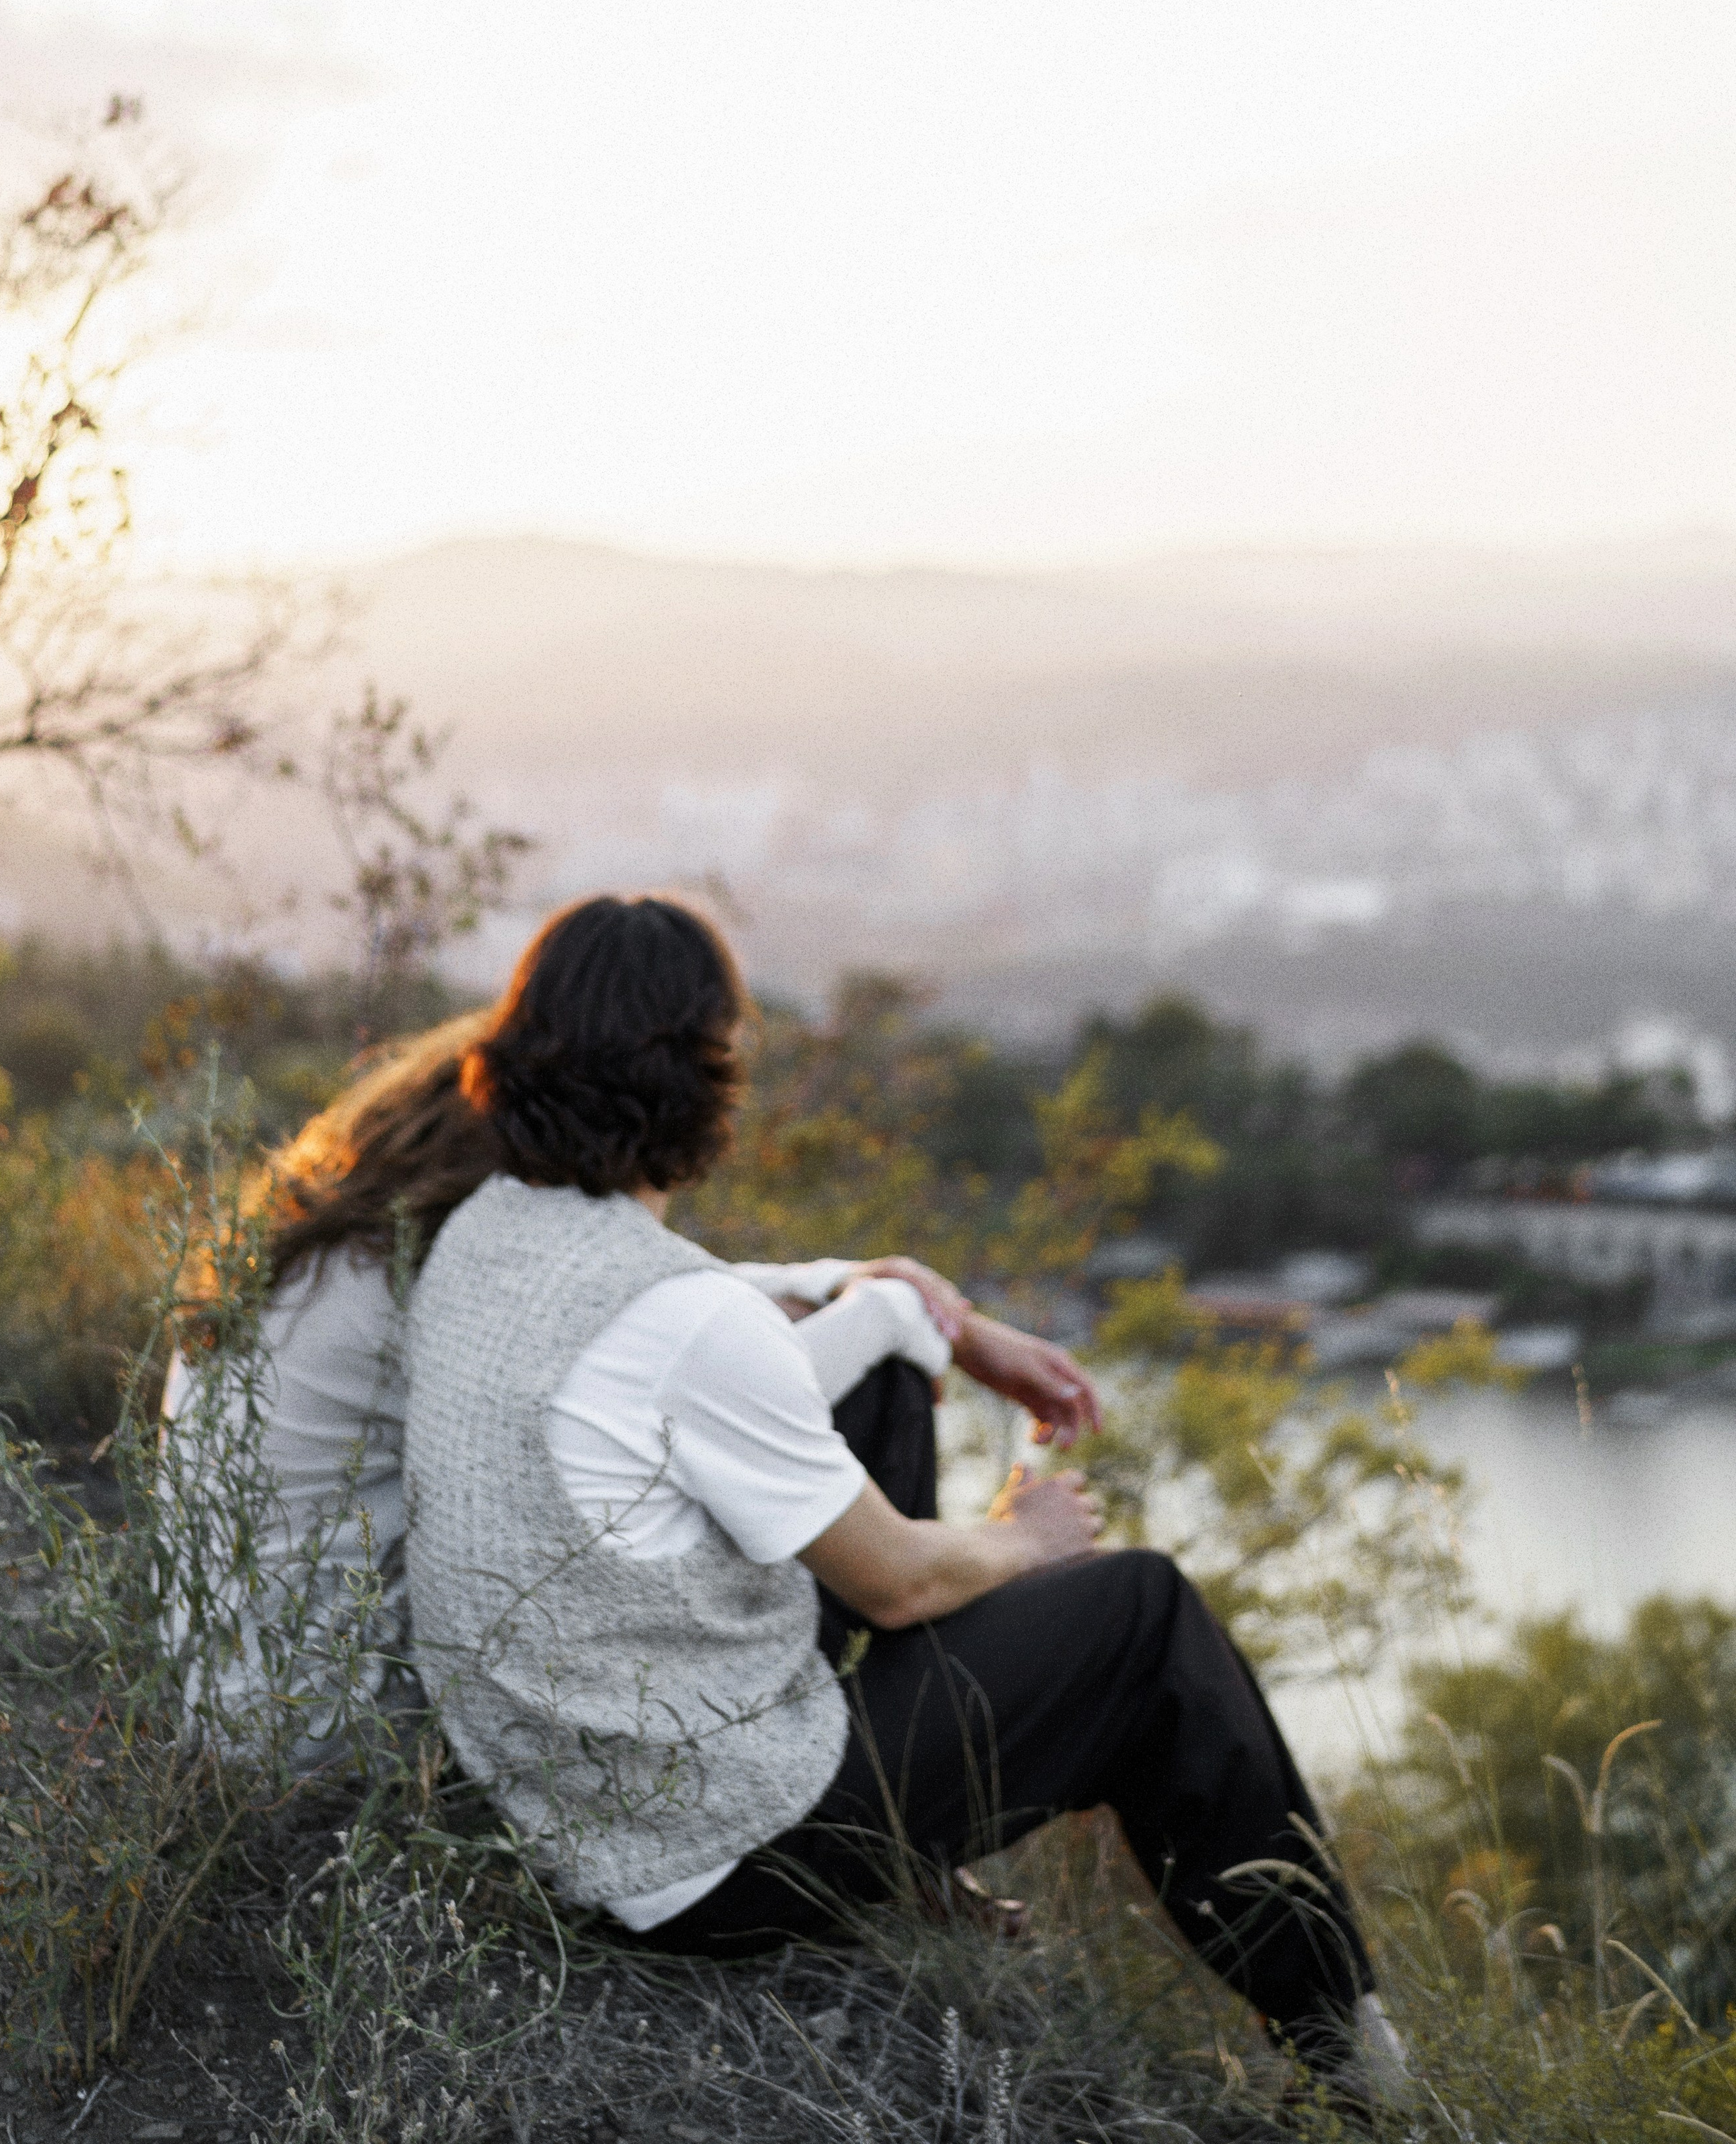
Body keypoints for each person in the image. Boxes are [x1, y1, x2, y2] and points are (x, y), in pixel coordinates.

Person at [404, 894, 1410, 2109]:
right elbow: (902, 1580)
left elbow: (712, 1316)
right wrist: (1025, 1537)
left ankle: (923, 1849)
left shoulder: (486, 1236)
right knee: (1143, 1618)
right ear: (705, 1072)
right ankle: (1348, 2055)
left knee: (878, 1366)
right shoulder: (681, 1323)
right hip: (702, 1861)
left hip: (570, 1809)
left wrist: (932, 1319)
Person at [159, 930, 1097, 1771]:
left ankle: (876, 1781)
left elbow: (649, 1316)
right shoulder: (455, 1253)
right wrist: (894, 1313)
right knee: (812, 1427)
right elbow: (694, 1391)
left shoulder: (365, 1229)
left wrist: (861, 1281)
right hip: (338, 1728)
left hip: (246, 1692)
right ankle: (882, 1787)